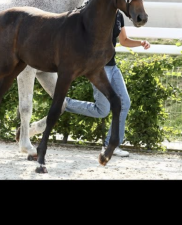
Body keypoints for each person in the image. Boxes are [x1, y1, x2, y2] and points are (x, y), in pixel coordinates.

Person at [62, 10, 151, 157]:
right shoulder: (96, 11)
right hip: (99, 69)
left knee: (124, 103)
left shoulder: (118, 15)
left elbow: (124, 40)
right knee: (102, 110)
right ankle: (64, 104)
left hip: (113, 67)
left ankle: (112, 145)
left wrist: (140, 43)